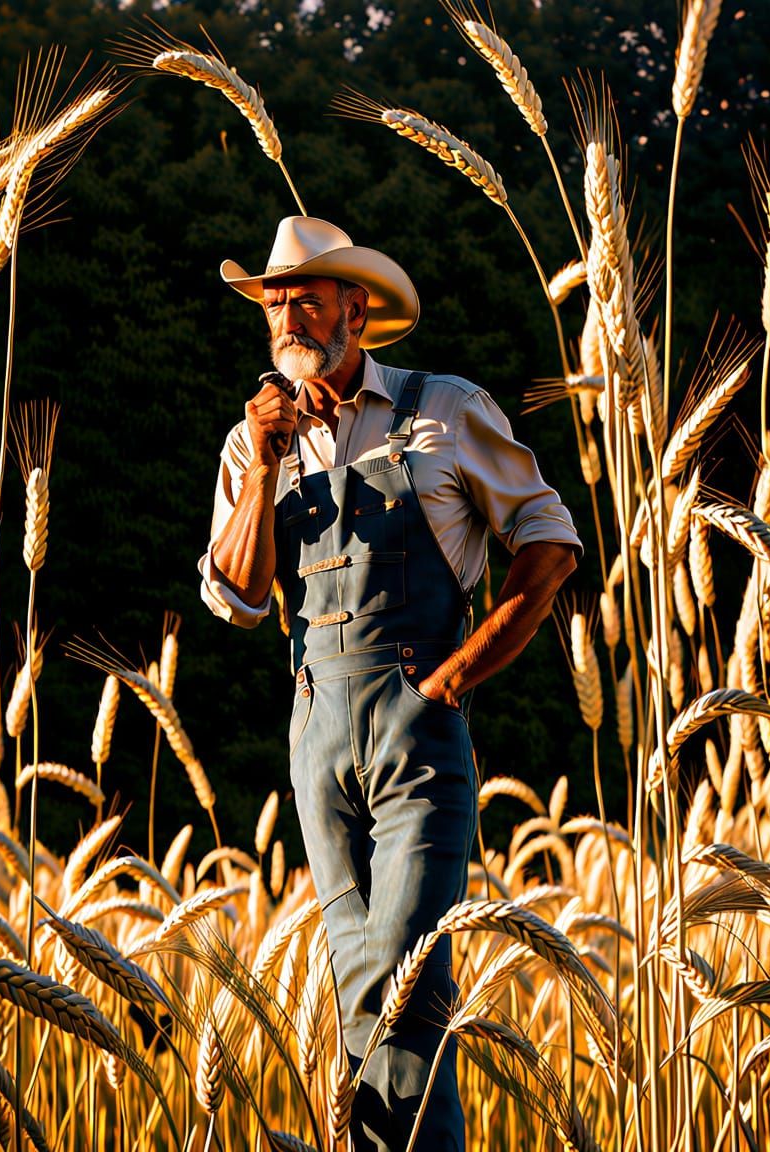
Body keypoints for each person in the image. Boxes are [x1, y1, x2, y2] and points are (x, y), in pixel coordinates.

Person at [198, 215, 582, 1150]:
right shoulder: (254, 443)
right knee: (353, 981)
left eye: (305, 298)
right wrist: (264, 468)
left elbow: (550, 542)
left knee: (405, 987)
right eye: (272, 303)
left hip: (418, 733)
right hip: (314, 737)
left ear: (355, 310)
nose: (286, 316)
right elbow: (238, 600)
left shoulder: (442, 408)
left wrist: (460, 672)